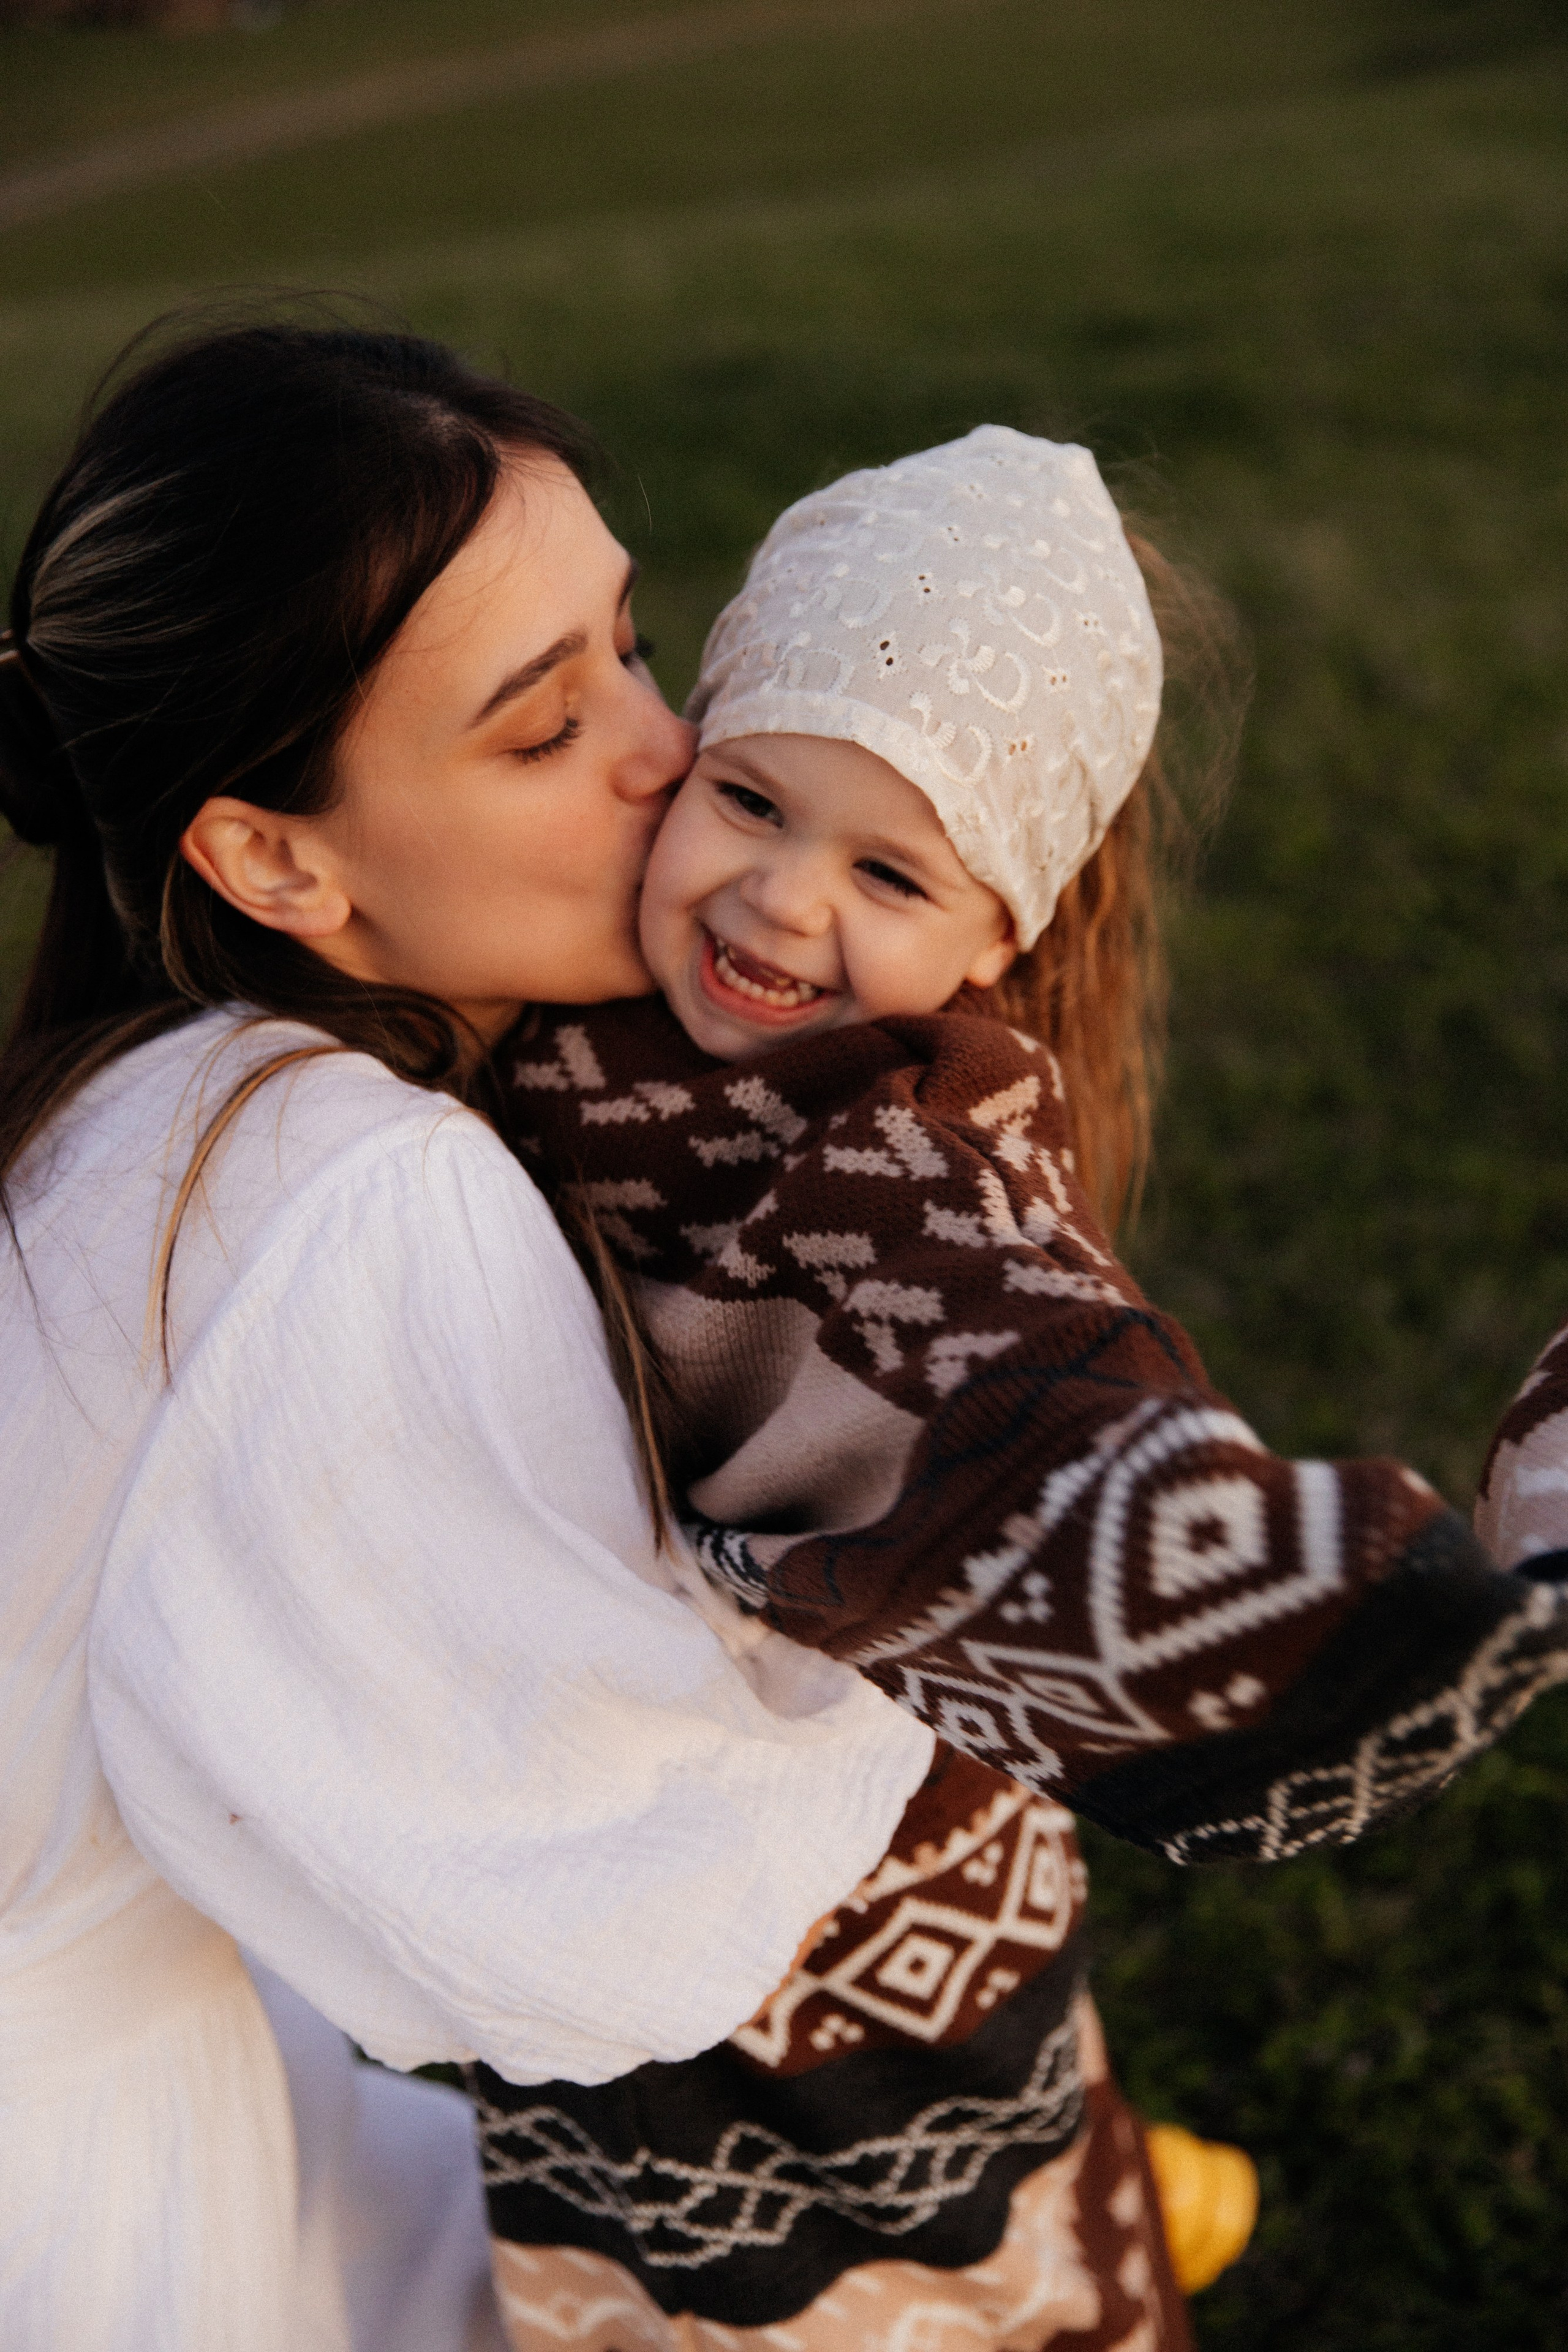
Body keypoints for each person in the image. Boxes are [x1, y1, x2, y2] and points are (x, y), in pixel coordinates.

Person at [480, 428, 1568, 2350]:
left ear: (1004, 934)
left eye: (887, 867)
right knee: (604, 2197)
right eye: (749, 797)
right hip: (594, 1858)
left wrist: (1325, 1603)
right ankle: (1120, 2166)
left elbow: (1048, 1400)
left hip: (857, 1940)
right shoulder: (581, 1018)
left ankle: (1092, 2202)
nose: (781, 899)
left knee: (910, 2269)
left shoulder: (901, 1180)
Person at [0, 320, 939, 2352]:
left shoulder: (126, 1098)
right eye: (539, 728)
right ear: (271, 859)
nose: (664, 745)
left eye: (630, 638)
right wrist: (958, 1511)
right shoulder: (330, 1184)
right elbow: (609, 1893)